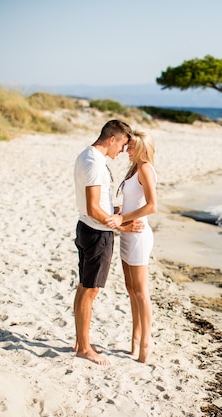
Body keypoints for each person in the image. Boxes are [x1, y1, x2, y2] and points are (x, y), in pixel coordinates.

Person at [73, 119, 142, 365]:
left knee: (84, 287)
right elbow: (93, 208)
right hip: (96, 233)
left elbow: (96, 203)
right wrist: (123, 225)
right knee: (90, 290)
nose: (122, 151)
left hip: (86, 228)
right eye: (122, 144)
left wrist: (114, 208)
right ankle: (83, 348)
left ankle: (81, 341)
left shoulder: (87, 156)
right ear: (112, 139)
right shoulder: (94, 162)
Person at [107, 130, 157, 363]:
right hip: (127, 233)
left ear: (142, 148)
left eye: (131, 147)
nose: (127, 149)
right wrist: (118, 212)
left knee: (141, 292)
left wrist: (122, 219)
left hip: (137, 234)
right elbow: (131, 202)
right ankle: (135, 338)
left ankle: (145, 344)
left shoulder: (145, 168)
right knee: (130, 288)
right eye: (127, 146)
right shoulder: (134, 169)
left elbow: (151, 206)